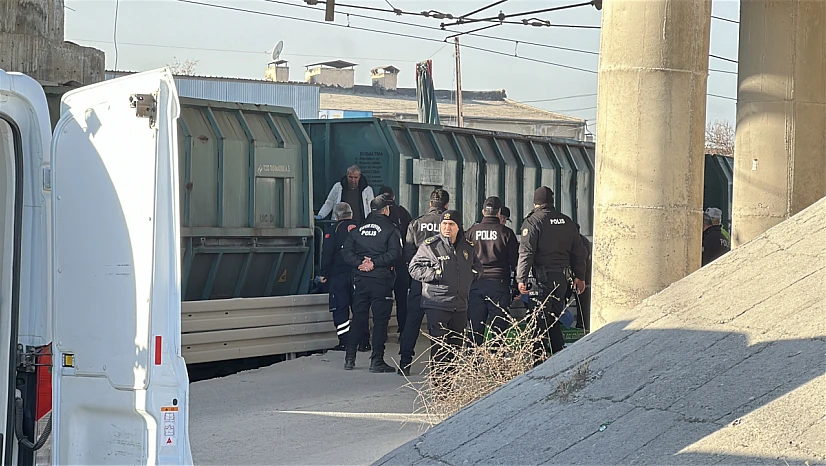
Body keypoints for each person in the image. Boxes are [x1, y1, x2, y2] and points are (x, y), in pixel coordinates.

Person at [516, 186, 588, 363]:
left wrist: (521, 278)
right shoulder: (567, 221)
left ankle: (538, 363)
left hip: (542, 280)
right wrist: (580, 276)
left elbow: (526, 252)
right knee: (553, 319)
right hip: (562, 280)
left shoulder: (533, 222)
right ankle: (559, 358)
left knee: (538, 321)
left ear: (535, 203)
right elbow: (580, 252)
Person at [409, 210, 479, 383]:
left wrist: (471, 276)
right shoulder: (430, 245)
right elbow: (413, 268)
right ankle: (440, 387)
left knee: (455, 348)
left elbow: (477, 266)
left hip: (460, 305)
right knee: (440, 349)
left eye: (451, 224)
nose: (447, 228)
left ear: (458, 227)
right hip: (437, 303)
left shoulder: (467, 247)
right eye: (444, 224)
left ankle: (451, 384)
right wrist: (435, 274)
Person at [340, 194, 402, 372]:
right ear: (386, 210)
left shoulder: (357, 229)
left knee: (358, 319)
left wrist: (360, 263)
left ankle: (349, 359)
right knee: (380, 321)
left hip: (360, 280)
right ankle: (377, 361)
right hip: (380, 280)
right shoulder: (391, 229)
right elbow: (395, 254)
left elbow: (346, 252)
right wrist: (374, 263)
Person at [398, 188, 450, 376]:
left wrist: (420, 271)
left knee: (412, 321)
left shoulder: (416, 223)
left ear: (430, 204)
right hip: (442, 281)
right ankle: (440, 367)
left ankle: (404, 363)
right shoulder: (449, 224)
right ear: (446, 205)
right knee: (440, 324)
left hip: (419, 280)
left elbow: (408, 252)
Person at [464, 197, 519, 346]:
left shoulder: (472, 231)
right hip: (499, 284)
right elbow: (516, 262)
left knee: (475, 330)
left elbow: (463, 259)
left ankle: (473, 365)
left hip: (476, 284)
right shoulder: (506, 233)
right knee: (498, 331)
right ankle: (495, 365)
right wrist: (518, 286)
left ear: (483, 212)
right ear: (499, 212)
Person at [318, 202, 370, 351]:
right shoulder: (362, 228)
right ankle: (364, 341)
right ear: (351, 214)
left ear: (336, 215)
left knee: (340, 308)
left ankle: (345, 341)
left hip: (339, 275)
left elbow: (327, 253)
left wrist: (323, 273)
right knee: (360, 307)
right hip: (359, 273)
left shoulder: (333, 230)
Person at [378, 186, 413, 336]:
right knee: (402, 299)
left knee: (382, 299)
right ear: (394, 197)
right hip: (401, 262)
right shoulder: (403, 212)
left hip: (383, 263)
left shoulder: (377, 216)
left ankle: (382, 332)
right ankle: (403, 331)